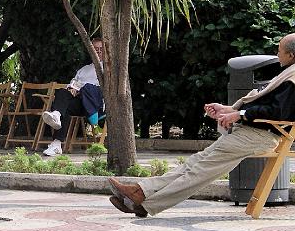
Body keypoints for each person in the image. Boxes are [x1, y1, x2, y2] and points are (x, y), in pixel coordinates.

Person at [109, 33, 295, 218]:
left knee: (200, 169)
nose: (277, 54)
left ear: (291, 55)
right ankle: (140, 193)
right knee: (196, 163)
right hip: (251, 131)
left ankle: (144, 201)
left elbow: (278, 112)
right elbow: (265, 105)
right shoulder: (288, 73)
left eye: (279, 51)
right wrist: (227, 109)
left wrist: (239, 114)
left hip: (260, 135)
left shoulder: (292, 79)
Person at [42, 38, 105, 156]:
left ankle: (57, 114)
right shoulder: (84, 70)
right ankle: (56, 142)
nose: (98, 51)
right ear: (91, 51)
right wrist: (72, 89)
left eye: (101, 49)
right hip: (79, 103)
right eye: (96, 49)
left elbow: (105, 89)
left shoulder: (108, 68)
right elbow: (73, 84)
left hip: (94, 105)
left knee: (86, 88)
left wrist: (81, 90)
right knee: (62, 93)